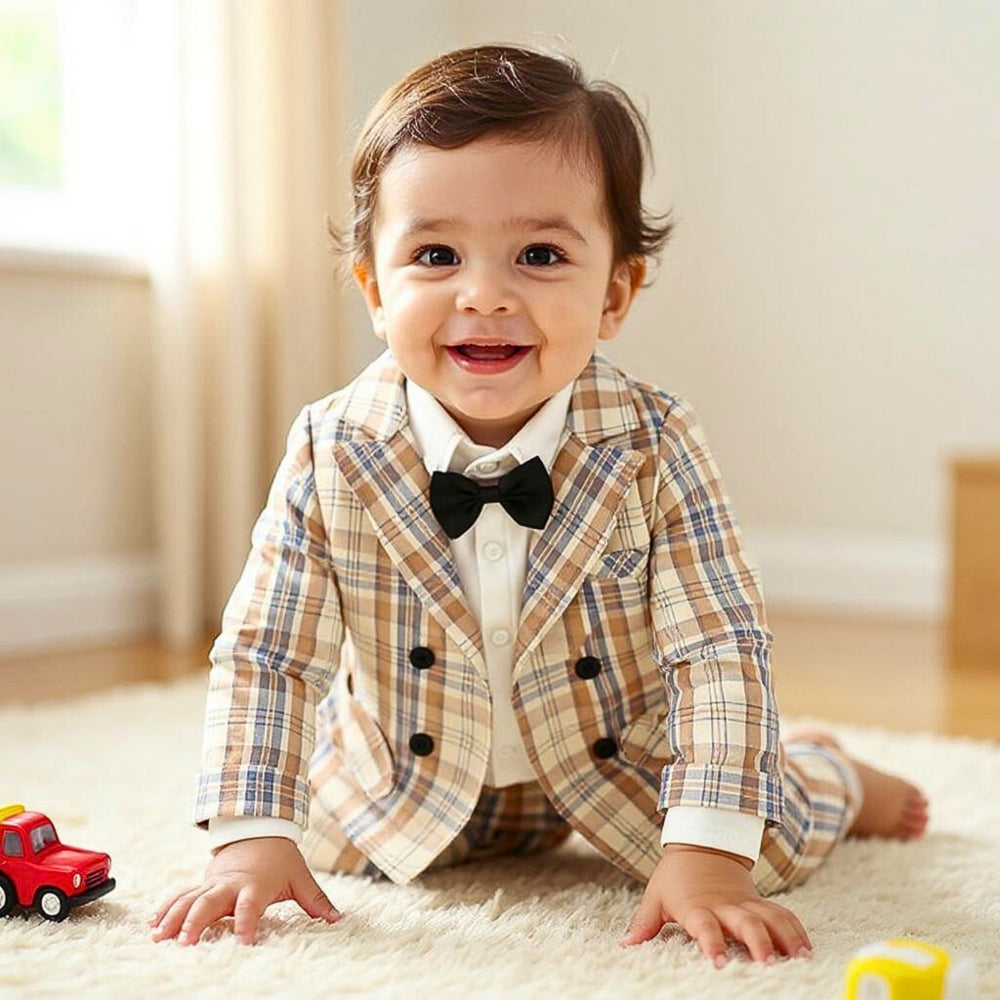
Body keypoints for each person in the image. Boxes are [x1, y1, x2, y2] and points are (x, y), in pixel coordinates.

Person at [150, 43, 928, 965]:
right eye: (435, 254)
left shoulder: (653, 444)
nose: (484, 293)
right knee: (311, 841)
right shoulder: (332, 449)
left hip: (619, 764)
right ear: (372, 289)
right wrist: (248, 836)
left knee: (765, 839)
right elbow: (270, 653)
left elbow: (716, 645)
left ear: (615, 292)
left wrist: (707, 854)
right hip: (404, 775)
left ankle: (831, 769)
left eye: (540, 255)